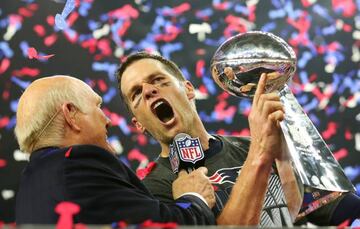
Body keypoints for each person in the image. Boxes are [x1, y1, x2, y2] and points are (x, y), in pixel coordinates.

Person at [116, 51, 360, 226]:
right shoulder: (150, 192)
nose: (149, 91)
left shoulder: (251, 146)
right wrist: (261, 152)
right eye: (137, 93)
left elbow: (333, 208)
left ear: (188, 90)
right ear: (138, 125)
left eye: (159, 80)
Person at [14, 75, 216, 225]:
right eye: (98, 107)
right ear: (71, 114)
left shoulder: (31, 182)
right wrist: (193, 198)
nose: (108, 120)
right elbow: (165, 224)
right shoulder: (78, 164)